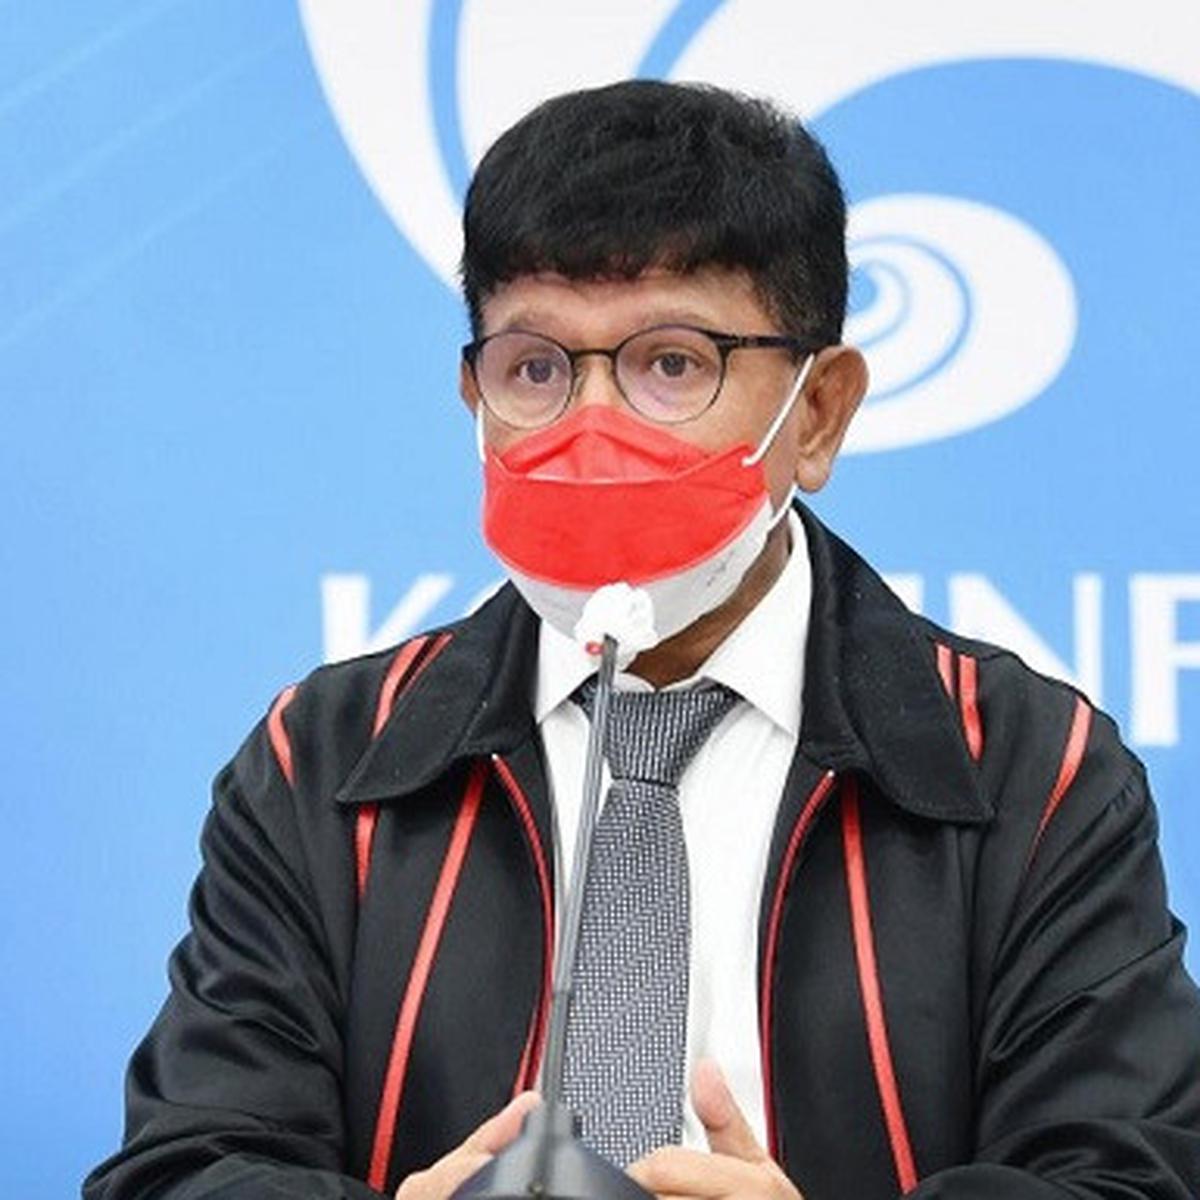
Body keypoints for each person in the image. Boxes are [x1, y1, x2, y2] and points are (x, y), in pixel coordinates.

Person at [84, 80, 1200, 1200]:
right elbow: (185, 1169)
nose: (593, 430)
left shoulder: (1028, 773)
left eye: (673, 364)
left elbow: (1131, 1180)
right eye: (535, 369)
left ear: (818, 412)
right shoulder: (324, 764)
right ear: (472, 397)